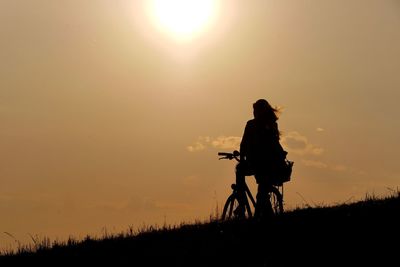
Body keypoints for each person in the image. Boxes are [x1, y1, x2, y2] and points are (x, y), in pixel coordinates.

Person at [235, 99, 286, 219]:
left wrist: (243, 158)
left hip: (260, 163)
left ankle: (242, 203)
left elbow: (244, 144)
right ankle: (261, 212)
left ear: (259, 111)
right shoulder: (272, 124)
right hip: (269, 163)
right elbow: (275, 143)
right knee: (262, 189)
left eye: (255, 110)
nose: (254, 112)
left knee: (240, 170)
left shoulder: (252, 124)